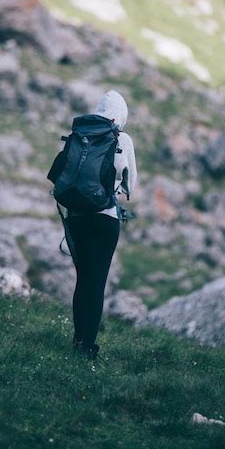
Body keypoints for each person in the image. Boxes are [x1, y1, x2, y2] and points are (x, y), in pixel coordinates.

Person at [66, 90, 137, 360]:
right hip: (104, 217)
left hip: (76, 217)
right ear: (121, 116)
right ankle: (86, 348)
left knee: (83, 280)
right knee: (96, 283)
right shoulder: (122, 138)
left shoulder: (81, 133)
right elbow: (131, 183)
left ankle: (78, 340)